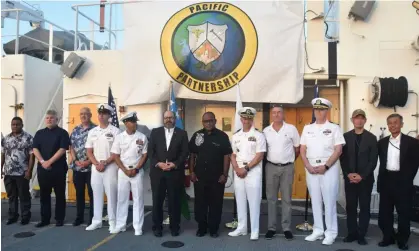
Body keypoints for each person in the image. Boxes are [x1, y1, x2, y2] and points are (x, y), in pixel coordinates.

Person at [300, 98, 345, 245]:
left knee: (329, 201)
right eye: (316, 109)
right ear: (314, 110)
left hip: (328, 169)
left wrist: (326, 166)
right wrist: (307, 165)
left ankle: (331, 232)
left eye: (322, 109)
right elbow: (302, 149)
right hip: (311, 168)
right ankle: (318, 230)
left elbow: (338, 149)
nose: (319, 112)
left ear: (327, 110)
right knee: (316, 201)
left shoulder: (334, 128)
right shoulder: (307, 128)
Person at [377, 113, 419, 250]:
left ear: (401, 124)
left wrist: (407, 178)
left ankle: (402, 240)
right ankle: (388, 237)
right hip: (386, 180)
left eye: (395, 122)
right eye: (390, 123)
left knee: (403, 213)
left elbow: (415, 163)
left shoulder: (412, 142)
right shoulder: (382, 143)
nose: (392, 125)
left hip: (403, 181)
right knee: (385, 213)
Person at [189, 112, 232, 238]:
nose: (208, 123)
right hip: (200, 177)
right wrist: (191, 172)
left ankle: (214, 229)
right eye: (205, 121)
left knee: (216, 204)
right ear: (202, 122)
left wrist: (225, 174)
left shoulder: (222, 136)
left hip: (217, 177)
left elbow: (226, 156)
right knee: (200, 204)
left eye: (210, 120)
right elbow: (192, 155)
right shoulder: (197, 135)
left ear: (215, 121)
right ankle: (201, 228)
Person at [340, 109, 378, 245]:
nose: (359, 120)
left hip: (365, 180)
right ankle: (352, 233)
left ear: (365, 120)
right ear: (352, 120)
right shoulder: (345, 137)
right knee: (350, 207)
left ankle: (361, 235)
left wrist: (361, 175)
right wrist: (348, 174)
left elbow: (373, 160)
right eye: (356, 118)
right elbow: (342, 159)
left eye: (362, 118)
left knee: (364, 207)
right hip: (349, 179)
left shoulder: (372, 138)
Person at [148, 111, 189, 237]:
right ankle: (157, 227)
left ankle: (174, 227)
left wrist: (175, 164)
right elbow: (150, 152)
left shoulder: (182, 133)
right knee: (157, 201)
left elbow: (184, 152)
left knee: (174, 201)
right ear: (163, 119)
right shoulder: (155, 132)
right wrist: (158, 164)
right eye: (166, 117)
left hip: (175, 173)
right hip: (158, 173)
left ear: (175, 119)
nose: (168, 120)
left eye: (171, 117)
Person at [228, 107, 266, 241]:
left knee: (254, 202)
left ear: (252, 119)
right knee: (240, 200)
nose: (246, 120)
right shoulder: (236, 136)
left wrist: (246, 169)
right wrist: (237, 168)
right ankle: (242, 228)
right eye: (244, 118)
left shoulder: (258, 135)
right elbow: (232, 154)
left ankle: (254, 230)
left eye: (249, 118)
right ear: (241, 119)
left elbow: (260, 155)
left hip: (253, 172)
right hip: (238, 171)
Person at [263, 106, 300, 240]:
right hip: (271, 167)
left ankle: (286, 228)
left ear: (283, 114)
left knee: (286, 199)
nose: (277, 114)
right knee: (271, 199)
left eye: (279, 112)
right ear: (271, 115)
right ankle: (271, 228)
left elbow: (297, 148)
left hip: (287, 168)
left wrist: (288, 161)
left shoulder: (291, 129)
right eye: (274, 112)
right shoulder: (266, 131)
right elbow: (264, 150)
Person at [111, 112, 148, 236]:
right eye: (132, 121)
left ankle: (138, 226)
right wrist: (125, 170)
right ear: (126, 123)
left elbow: (144, 155)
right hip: (123, 172)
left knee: (138, 200)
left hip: (137, 172)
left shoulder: (142, 137)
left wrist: (136, 169)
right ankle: (120, 225)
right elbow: (115, 156)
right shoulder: (119, 137)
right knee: (122, 199)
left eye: (135, 121)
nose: (135, 123)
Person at [85, 104, 121, 232]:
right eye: (99, 113)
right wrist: (96, 164)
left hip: (110, 167)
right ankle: (97, 221)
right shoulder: (92, 132)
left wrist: (104, 163)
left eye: (104, 113)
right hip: (96, 167)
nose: (101, 116)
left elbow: (116, 152)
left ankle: (112, 221)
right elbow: (89, 151)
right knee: (96, 194)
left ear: (109, 116)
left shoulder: (116, 131)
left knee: (111, 194)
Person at [32, 110, 70, 227]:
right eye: (47, 118)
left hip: (58, 169)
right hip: (43, 169)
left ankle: (59, 219)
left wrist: (49, 162)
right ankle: (45, 219)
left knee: (59, 195)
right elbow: (35, 149)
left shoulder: (63, 133)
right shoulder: (39, 133)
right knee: (44, 195)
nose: (49, 120)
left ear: (57, 120)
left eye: (52, 118)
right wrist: (43, 161)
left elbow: (62, 149)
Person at [1, 117, 34, 225]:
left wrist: (29, 171)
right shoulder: (6, 139)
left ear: (22, 125)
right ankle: (13, 216)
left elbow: (31, 157)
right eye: (13, 124)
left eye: (17, 124)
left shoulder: (28, 138)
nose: (15, 126)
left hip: (22, 173)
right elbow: (3, 154)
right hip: (9, 172)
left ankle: (25, 216)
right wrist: (1, 168)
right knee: (11, 196)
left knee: (24, 195)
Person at [69, 107, 96, 226]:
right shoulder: (75, 130)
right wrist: (75, 160)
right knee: (79, 193)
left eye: (86, 114)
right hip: (78, 168)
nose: (83, 116)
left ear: (90, 115)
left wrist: (88, 162)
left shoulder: (96, 130)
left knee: (92, 193)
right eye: (81, 114)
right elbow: (71, 147)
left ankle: (92, 218)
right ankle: (79, 217)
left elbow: (99, 149)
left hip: (91, 168)